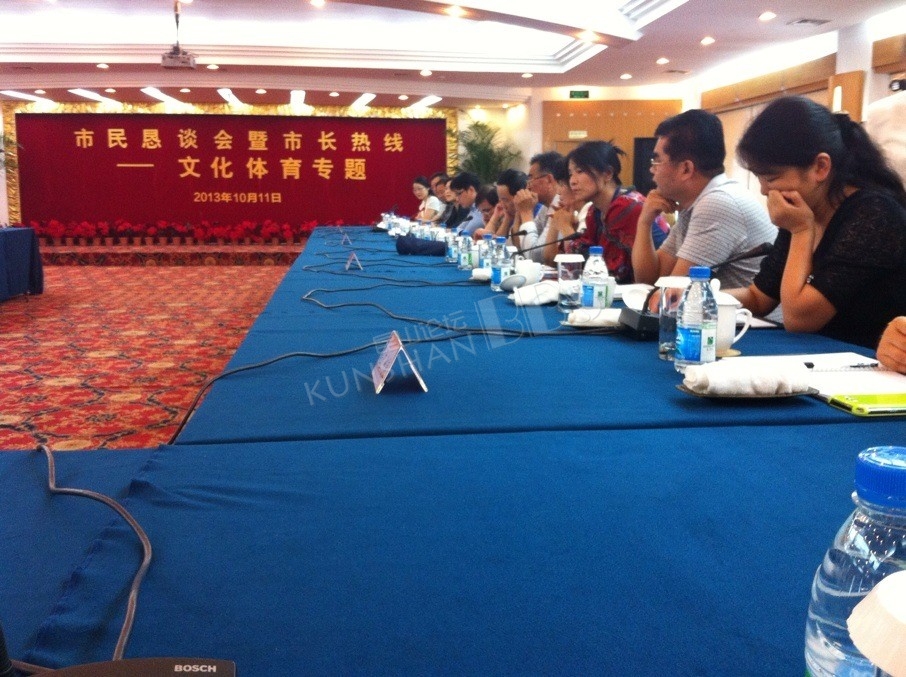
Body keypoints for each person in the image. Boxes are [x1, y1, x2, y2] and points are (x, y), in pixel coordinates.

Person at [728, 95, 906, 349]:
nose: (765, 190)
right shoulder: (804, 210)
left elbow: (799, 319)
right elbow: (758, 298)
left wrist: (801, 230)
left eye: (771, 178)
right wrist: (698, 295)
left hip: (868, 363)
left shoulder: (875, 214)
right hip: (819, 356)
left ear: (820, 167)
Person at [632, 109, 777, 288]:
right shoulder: (696, 201)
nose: (652, 170)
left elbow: (674, 293)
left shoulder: (717, 204)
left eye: (657, 161)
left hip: (750, 308)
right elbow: (649, 280)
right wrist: (644, 222)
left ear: (686, 169)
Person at [563, 141, 669, 284]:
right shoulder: (594, 211)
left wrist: (565, 228)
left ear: (607, 173)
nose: (572, 181)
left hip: (656, 287)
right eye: (570, 174)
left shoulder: (626, 207)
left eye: (580, 171)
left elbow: (612, 272)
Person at [512, 151, 564, 261]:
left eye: (531, 179)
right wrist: (519, 212)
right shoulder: (545, 207)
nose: (528, 186)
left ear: (549, 180)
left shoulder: (560, 204)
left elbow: (535, 256)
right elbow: (518, 247)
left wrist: (526, 213)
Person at [447, 171, 486, 236]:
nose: (457, 199)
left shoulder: (482, 206)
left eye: (459, 194)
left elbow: (467, 232)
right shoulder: (472, 208)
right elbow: (458, 229)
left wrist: (459, 232)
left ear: (471, 190)